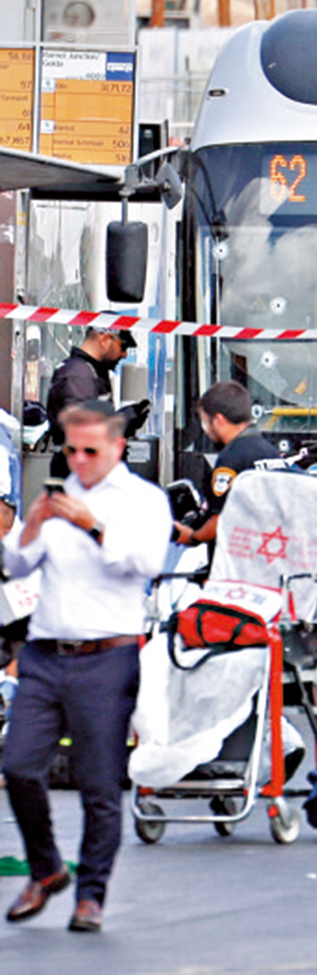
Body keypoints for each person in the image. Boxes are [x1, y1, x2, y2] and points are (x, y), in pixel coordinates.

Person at [1, 400, 171, 933]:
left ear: (117, 448)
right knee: (19, 765)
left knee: (98, 783)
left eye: (90, 451)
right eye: (71, 450)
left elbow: (145, 563)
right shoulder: (58, 497)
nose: (79, 461)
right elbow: (14, 565)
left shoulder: (142, 500)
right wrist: (29, 525)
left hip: (107, 655)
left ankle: (91, 895)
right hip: (47, 653)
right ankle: (47, 867)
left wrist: (94, 526)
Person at [172, 381, 286, 548]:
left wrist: (192, 537)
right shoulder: (269, 451)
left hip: (240, 561)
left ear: (218, 420)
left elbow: (220, 521)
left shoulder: (231, 458)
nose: (206, 430)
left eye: (205, 423)